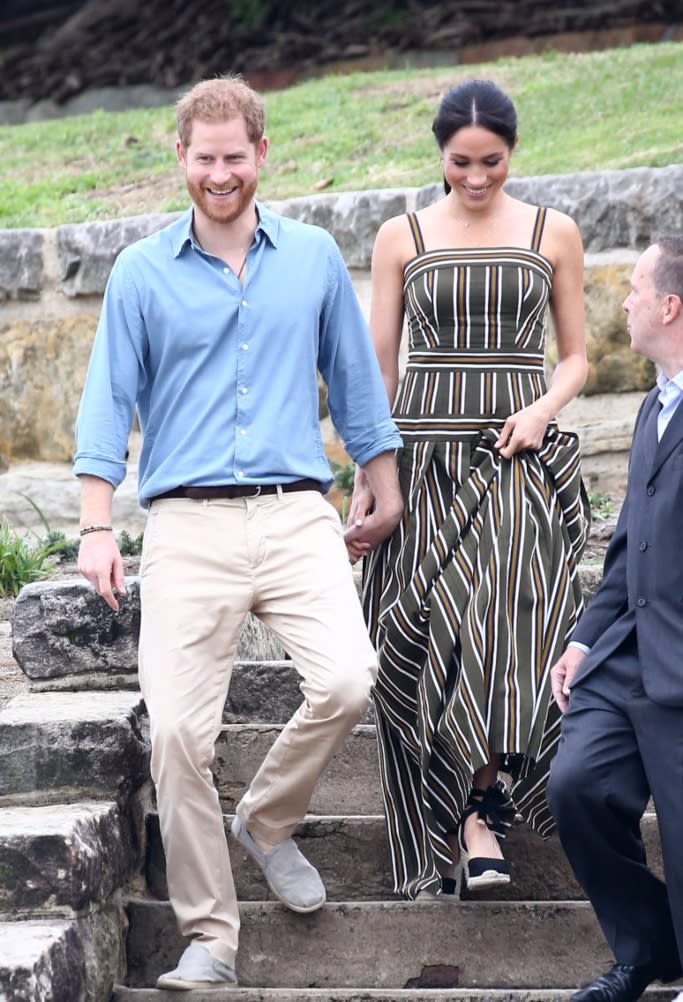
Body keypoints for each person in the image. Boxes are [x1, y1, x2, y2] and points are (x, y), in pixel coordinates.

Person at [74, 75, 404, 990]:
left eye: (235, 157)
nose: (220, 174)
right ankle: (211, 937)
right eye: (204, 157)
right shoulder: (141, 271)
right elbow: (108, 403)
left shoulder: (310, 258)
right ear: (180, 157)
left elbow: (353, 380)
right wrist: (98, 522)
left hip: (298, 511)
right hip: (185, 523)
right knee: (178, 733)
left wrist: (382, 477)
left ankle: (263, 818)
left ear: (262, 155)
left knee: (346, 679)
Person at [346, 78, 591, 901]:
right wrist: (366, 476)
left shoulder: (553, 231)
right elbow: (378, 366)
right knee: (421, 629)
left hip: (518, 453)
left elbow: (577, 356)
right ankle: (463, 813)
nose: (476, 178)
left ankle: (482, 810)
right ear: (439, 154)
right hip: (421, 454)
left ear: (512, 152)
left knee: (498, 607)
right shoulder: (400, 235)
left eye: (491, 161)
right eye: (460, 163)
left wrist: (543, 408)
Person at [547, 236, 683, 1002]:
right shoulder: (651, 405)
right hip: (626, 652)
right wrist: (582, 636)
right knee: (574, 786)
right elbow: (627, 547)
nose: (623, 303)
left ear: (669, 305)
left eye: (634, 289)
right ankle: (649, 946)